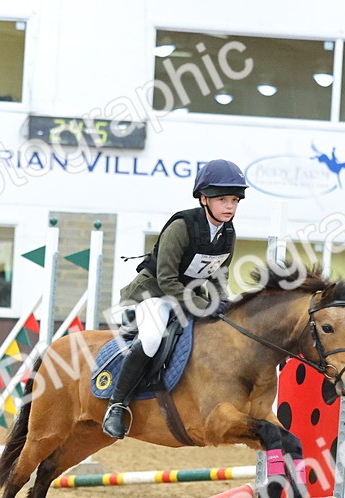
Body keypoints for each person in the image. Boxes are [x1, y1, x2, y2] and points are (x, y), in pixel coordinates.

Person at [101, 159, 248, 439]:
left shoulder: (228, 233)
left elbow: (219, 274)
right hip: (154, 294)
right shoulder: (181, 227)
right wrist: (204, 306)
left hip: (189, 298)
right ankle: (117, 405)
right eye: (222, 200)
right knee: (152, 338)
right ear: (204, 199)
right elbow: (167, 280)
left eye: (234, 200)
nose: (229, 206)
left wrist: (222, 303)